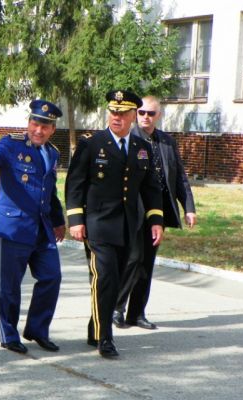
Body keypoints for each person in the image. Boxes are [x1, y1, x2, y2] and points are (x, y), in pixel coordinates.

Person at [65, 90, 164, 359]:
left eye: (123, 113)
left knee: (116, 282)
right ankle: (105, 338)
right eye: (113, 112)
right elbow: (75, 184)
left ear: (133, 116)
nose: (116, 117)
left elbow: (151, 188)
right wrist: (75, 220)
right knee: (105, 278)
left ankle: (94, 328)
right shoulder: (92, 144)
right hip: (97, 225)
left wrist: (156, 220)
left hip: (128, 227)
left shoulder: (142, 147)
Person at [0, 99, 66, 354]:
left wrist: (58, 221)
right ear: (28, 123)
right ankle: (9, 334)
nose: (39, 130)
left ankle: (37, 329)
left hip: (42, 228)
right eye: (35, 124)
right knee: (10, 285)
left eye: (45, 127)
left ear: (52, 129)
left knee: (52, 276)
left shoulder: (52, 153)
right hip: (13, 227)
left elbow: (50, 190)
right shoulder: (11, 144)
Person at [113, 95, 197, 330]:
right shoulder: (129, 139)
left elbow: (179, 176)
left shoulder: (167, 142)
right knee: (133, 259)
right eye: (141, 113)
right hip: (134, 210)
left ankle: (137, 313)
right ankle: (116, 309)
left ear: (158, 115)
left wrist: (189, 207)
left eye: (151, 113)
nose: (146, 117)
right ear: (135, 114)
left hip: (158, 211)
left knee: (146, 263)